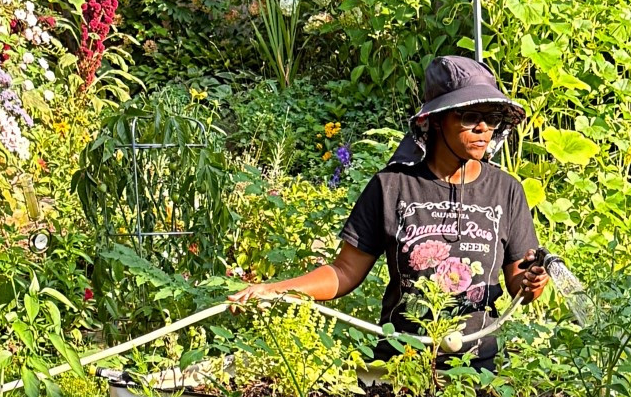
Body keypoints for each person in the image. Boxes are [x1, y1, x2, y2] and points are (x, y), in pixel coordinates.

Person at [230, 55, 548, 363]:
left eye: (491, 118)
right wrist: (277, 290)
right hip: (399, 368)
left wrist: (532, 282)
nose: (483, 128)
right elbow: (344, 272)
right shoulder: (392, 186)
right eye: (469, 117)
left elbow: (519, 283)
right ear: (435, 121)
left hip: (477, 370)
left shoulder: (506, 190)